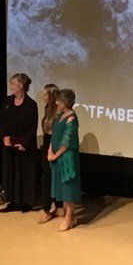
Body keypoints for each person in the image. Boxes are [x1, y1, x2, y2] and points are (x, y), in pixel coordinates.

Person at [0, 73, 38, 213]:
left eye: (13, 84)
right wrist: (4, 137)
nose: (11, 87)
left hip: (24, 147)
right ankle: (13, 201)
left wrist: (24, 143)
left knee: (25, 173)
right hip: (9, 145)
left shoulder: (31, 104)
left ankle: (26, 202)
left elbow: (33, 126)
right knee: (11, 172)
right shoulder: (7, 102)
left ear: (21, 85)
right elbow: (2, 121)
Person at [48, 88, 82, 231]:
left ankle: (69, 217)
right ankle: (67, 214)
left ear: (66, 102)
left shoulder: (71, 118)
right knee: (60, 186)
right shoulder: (59, 115)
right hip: (56, 155)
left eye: (59, 101)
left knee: (68, 186)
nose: (56, 103)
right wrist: (50, 150)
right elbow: (54, 135)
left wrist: (56, 154)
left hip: (66, 157)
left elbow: (67, 140)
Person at [37, 83, 62, 224]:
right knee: (46, 176)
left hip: (55, 143)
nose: (43, 97)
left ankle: (57, 206)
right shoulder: (47, 108)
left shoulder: (59, 111)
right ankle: (46, 208)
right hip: (47, 142)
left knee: (54, 176)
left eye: (45, 94)